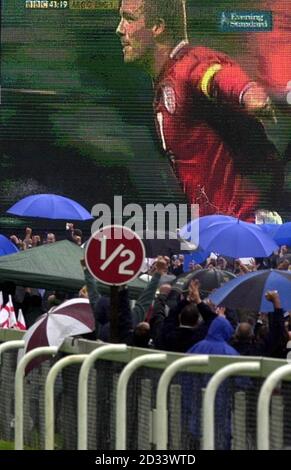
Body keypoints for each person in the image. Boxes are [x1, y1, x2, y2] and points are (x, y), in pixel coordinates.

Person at [116, 0, 284, 220]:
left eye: (129, 18)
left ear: (157, 26)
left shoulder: (189, 65)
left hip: (242, 228)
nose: (119, 29)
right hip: (215, 229)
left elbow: (219, 76)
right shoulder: (165, 82)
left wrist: (247, 91)